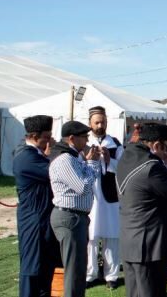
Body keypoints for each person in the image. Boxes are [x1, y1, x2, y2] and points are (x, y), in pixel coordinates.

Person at [117, 123, 167, 297]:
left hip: (131, 241)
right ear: (156, 145)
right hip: (150, 246)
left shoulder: (126, 158)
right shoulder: (151, 167)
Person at [49, 120, 101, 297]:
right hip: (69, 218)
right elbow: (83, 187)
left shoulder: (73, 157)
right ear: (71, 138)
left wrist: (88, 164)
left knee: (79, 269)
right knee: (74, 271)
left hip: (76, 217)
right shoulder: (64, 160)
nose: (86, 141)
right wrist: (92, 163)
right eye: (83, 137)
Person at [13, 115, 60, 297]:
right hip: (33, 221)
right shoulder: (26, 157)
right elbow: (55, 173)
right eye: (47, 137)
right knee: (32, 270)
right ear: (34, 136)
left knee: (45, 270)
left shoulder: (37, 154)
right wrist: (53, 154)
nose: (50, 141)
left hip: (43, 219)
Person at [85, 106, 123, 289]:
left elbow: (123, 168)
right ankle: (90, 274)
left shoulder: (114, 143)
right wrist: (88, 159)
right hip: (90, 196)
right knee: (91, 237)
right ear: (90, 123)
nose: (100, 126)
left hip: (110, 196)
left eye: (103, 122)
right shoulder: (84, 143)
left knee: (112, 236)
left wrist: (109, 160)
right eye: (97, 122)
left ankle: (111, 275)